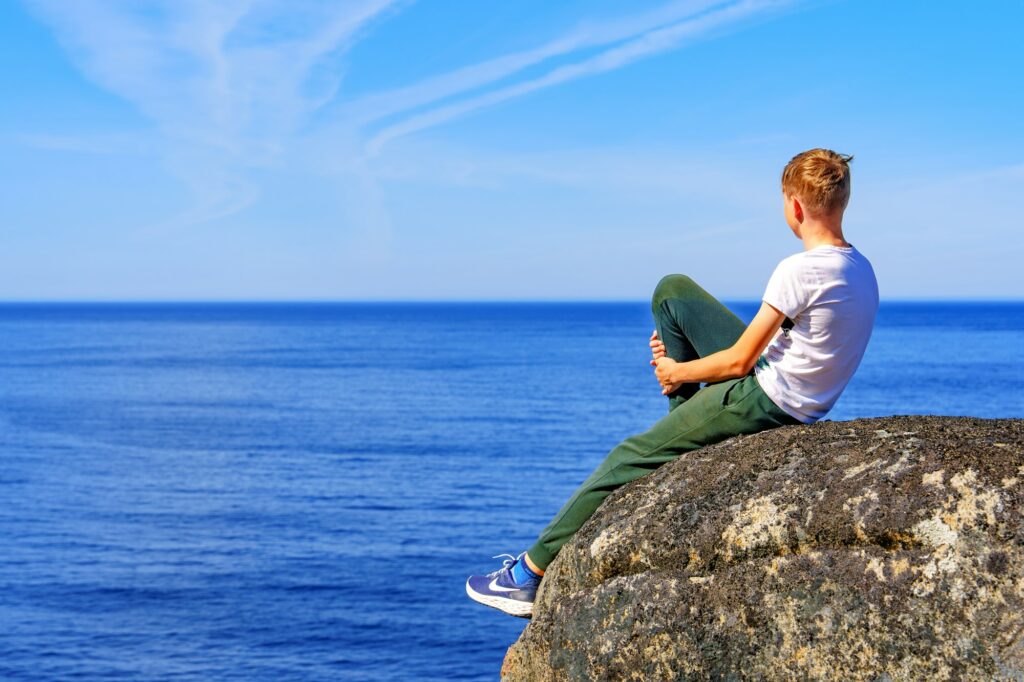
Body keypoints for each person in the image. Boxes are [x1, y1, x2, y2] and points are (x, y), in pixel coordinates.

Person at [466, 148, 879, 618]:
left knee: (629, 456)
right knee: (673, 292)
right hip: (795, 389)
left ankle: (527, 575)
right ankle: (683, 423)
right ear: (842, 202)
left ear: (795, 207)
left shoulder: (799, 270)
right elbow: (802, 340)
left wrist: (678, 372)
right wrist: (682, 362)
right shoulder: (860, 267)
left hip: (766, 400)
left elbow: (740, 362)